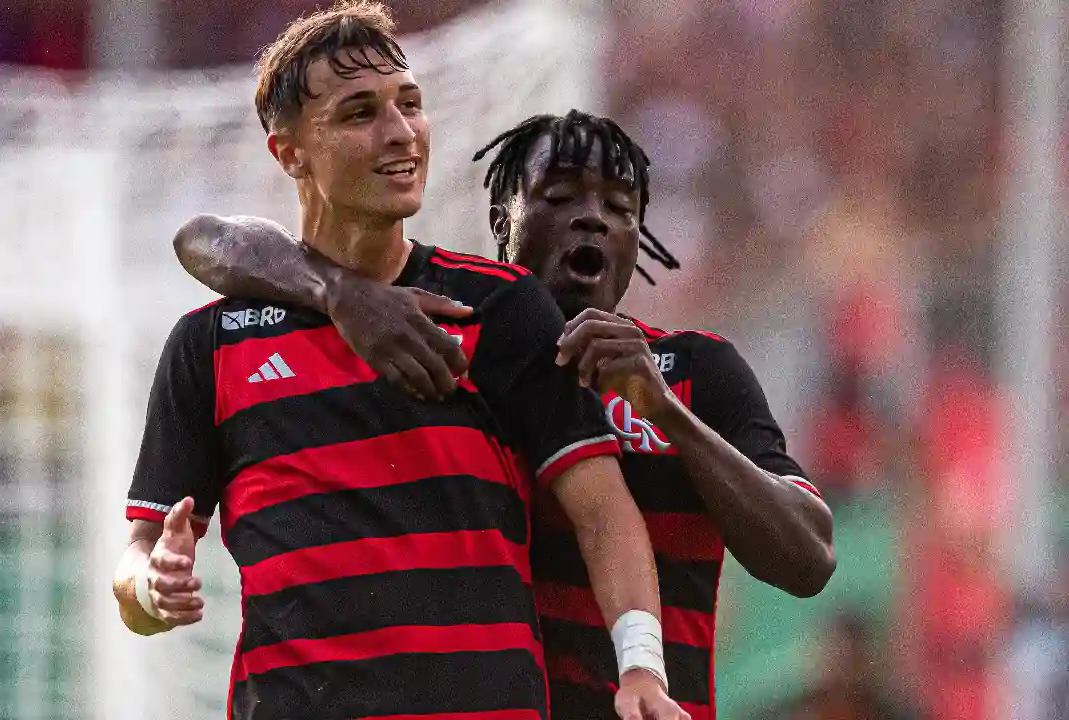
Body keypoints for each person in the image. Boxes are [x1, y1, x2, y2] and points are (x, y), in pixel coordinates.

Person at [112, 4, 686, 720]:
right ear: (289, 153)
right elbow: (139, 555)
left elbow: (603, 509)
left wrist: (642, 669)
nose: (400, 133)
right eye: (359, 113)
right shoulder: (213, 345)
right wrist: (149, 584)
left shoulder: (499, 308)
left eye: (409, 104)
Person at [174, 109, 836, 720]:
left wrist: (668, 416)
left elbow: (808, 558)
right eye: (560, 196)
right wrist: (340, 292)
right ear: (502, 221)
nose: (593, 218)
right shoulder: (432, 347)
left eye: (620, 207)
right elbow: (208, 241)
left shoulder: (696, 372)